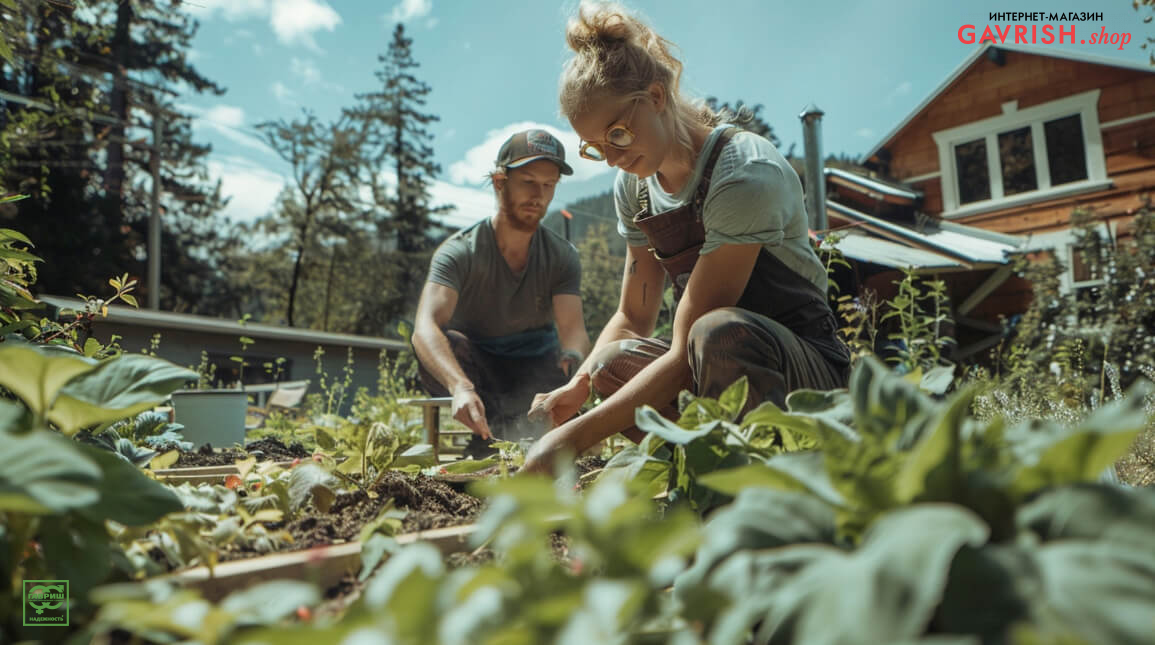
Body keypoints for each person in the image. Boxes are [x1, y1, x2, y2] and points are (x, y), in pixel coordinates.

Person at [521, 2, 850, 474]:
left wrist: (569, 440)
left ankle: (764, 479)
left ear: (656, 97)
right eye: (595, 147)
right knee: (611, 363)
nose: (612, 158)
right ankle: (700, 471)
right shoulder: (635, 188)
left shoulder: (743, 175)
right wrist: (580, 386)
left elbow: (684, 353)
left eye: (617, 133)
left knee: (716, 331)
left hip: (805, 374)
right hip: (707, 367)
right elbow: (633, 315)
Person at [412, 129, 591, 459]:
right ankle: (487, 434)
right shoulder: (459, 252)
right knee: (445, 343)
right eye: (528, 181)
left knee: (567, 368)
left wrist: (574, 360)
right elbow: (424, 327)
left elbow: (574, 331)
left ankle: (533, 437)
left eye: (548, 185)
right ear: (499, 182)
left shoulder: (562, 255)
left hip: (536, 370)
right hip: (478, 370)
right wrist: (460, 386)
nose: (538, 194)